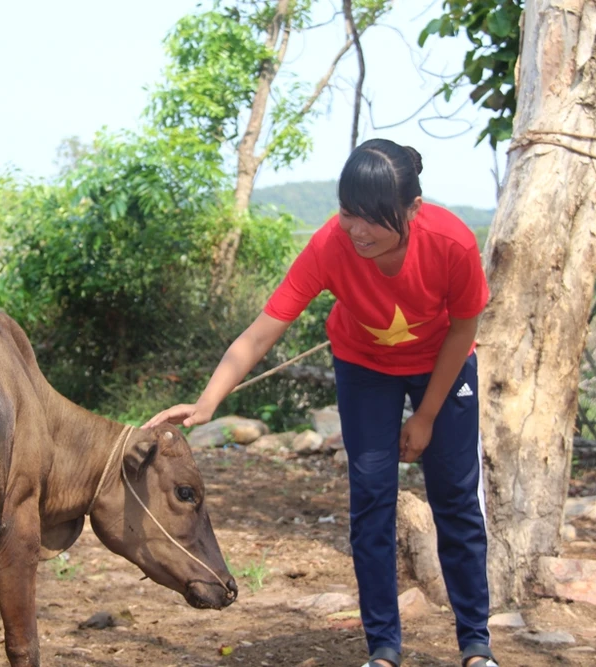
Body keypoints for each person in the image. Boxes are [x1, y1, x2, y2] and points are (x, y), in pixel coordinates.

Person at [143, 138, 498, 667]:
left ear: (412, 211)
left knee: (457, 501)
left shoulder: (452, 244)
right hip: (365, 367)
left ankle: (475, 644)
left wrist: (425, 418)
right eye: (348, 212)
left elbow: (464, 326)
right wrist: (207, 402)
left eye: (373, 219)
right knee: (371, 502)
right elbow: (261, 334)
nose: (357, 231)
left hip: (442, 366)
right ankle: (383, 648)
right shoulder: (332, 245)